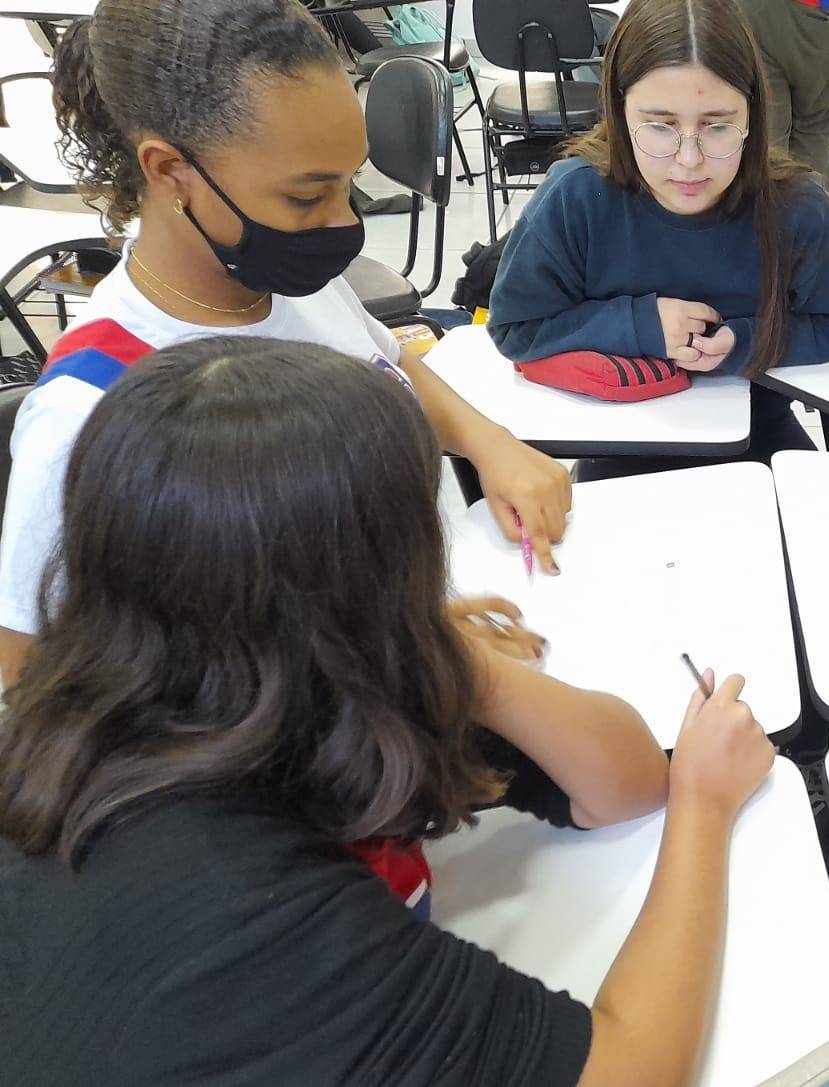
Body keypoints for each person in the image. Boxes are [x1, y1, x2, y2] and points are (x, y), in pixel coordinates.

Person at [0, 337, 778, 1087]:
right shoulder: (243, 911)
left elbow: (619, 785)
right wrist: (704, 802)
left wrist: (444, 655)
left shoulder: (205, 684)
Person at [0, 0, 573, 690]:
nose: (342, 224)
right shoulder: (89, 411)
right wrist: (384, 658)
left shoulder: (281, 280)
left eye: (350, 183)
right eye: (306, 198)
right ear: (170, 171)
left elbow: (387, 365)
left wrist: (489, 443)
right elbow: (29, 666)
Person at [487, 0, 829, 477]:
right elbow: (515, 328)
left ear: (753, 114)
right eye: (660, 126)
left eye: (717, 125)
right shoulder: (575, 196)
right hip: (617, 442)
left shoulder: (797, 207)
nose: (689, 160)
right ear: (620, 110)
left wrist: (746, 341)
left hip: (761, 439)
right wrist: (641, 324)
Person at [734, 0, 829, 176]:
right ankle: (808, 191)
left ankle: (768, 189)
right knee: (812, 126)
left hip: (752, 9)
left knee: (768, 125)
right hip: (812, 12)